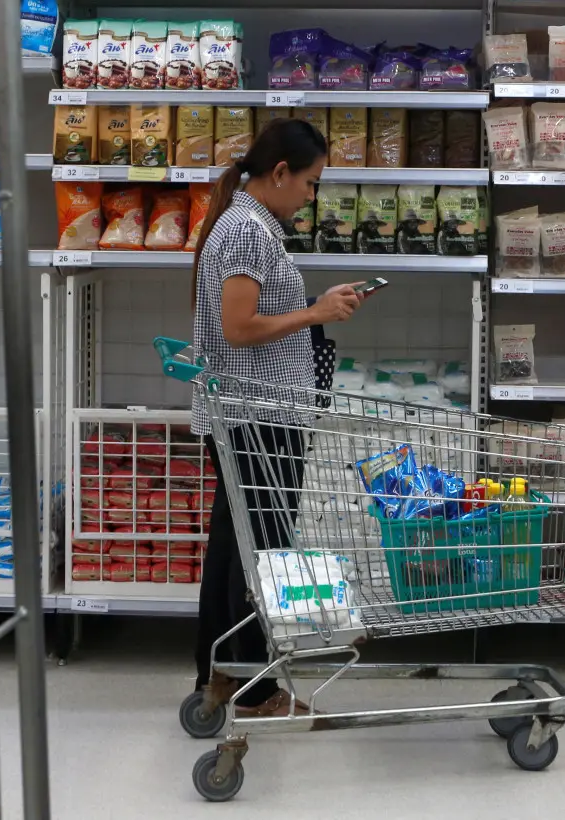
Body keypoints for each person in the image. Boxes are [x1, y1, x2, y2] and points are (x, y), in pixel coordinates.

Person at [190, 118, 365, 717]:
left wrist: (318, 308)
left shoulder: (246, 223)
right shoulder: (246, 231)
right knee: (259, 553)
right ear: (281, 173)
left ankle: (218, 678)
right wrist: (315, 313)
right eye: (311, 184)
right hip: (257, 415)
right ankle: (256, 691)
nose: (311, 197)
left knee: (232, 551)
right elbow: (239, 330)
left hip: (249, 412)